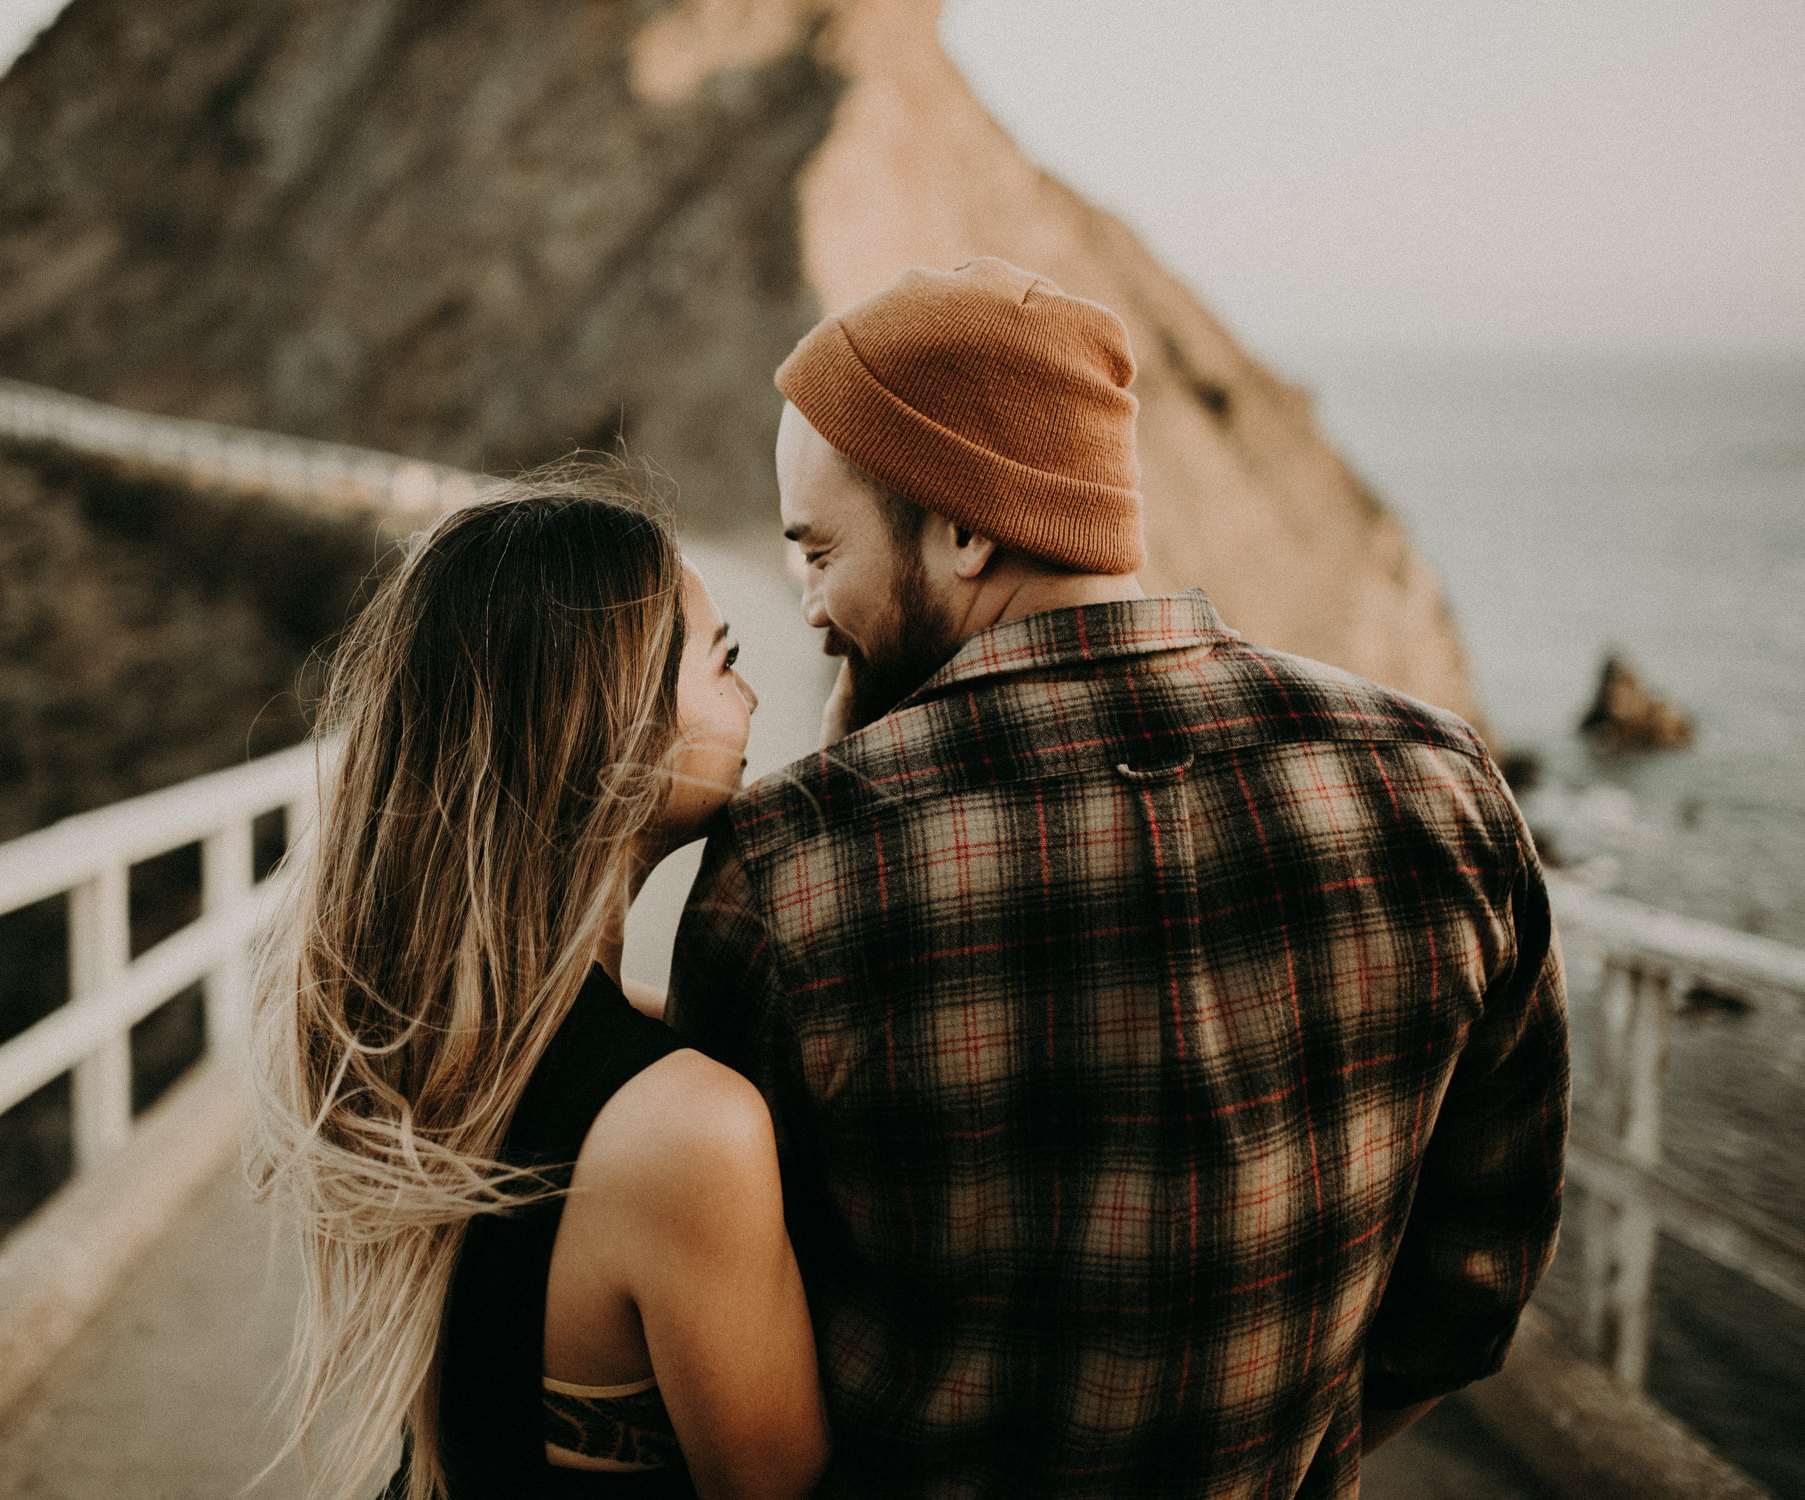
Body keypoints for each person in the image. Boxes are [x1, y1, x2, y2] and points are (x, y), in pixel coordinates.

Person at [669, 259, 1570, 1499]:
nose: (810, 608)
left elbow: (727, 1326)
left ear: (967, 525)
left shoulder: (793, 863)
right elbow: (1476, 1284)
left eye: (819, 551)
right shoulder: (1441, 784)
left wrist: (843, 787)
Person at [247, 474, 826, 1500]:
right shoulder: (685, 1132)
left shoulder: (425, 1035)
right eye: (724, 660)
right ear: (612, 726)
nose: (752, 696)